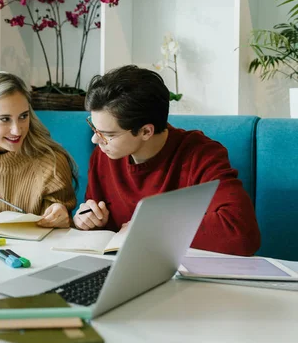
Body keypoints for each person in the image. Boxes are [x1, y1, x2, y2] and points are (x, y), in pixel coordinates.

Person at [72, 65, 260, 256]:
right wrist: (86, 220)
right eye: (94, 128)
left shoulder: (201, 155)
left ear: (146, 131)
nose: (95, 140)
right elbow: (100, 228)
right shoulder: (105, 153)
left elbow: (242, 234)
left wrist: (153, 229)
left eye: (107, 134)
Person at [0, 71, 77, 228]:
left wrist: (63, 219)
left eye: (23, 116)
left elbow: (63, 232)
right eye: (5, 119)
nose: (17, 131)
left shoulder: (52, 163)